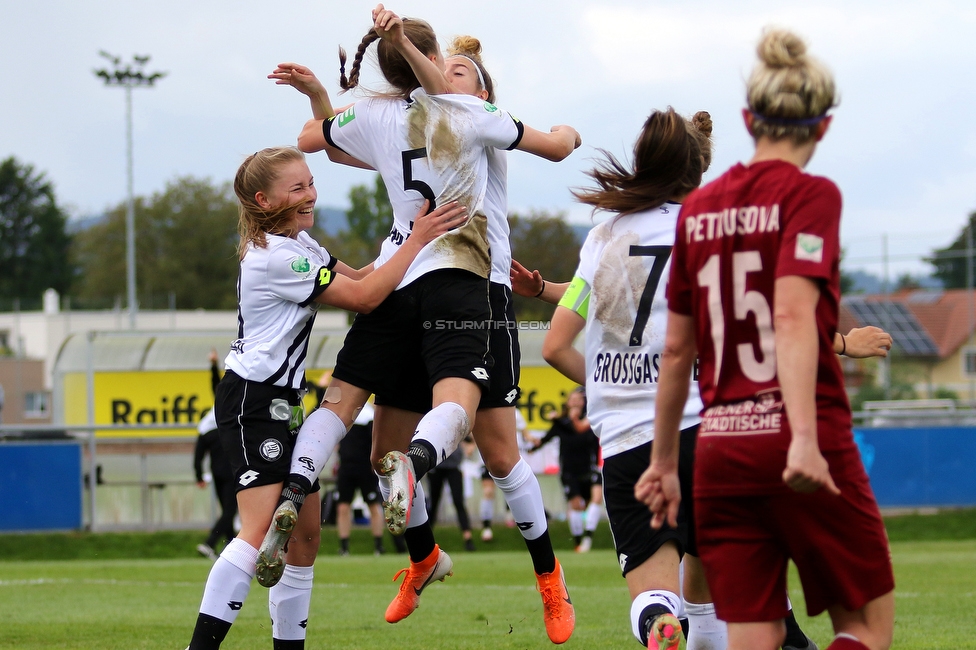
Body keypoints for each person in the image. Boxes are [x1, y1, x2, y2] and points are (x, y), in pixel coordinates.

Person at [265, 8, 580, 643]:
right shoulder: (452, 115)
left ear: (484, 88)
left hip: (478, 289)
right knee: (389, 448)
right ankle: (422, 556)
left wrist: (335, 98)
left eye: (465, 71)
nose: (452, 75)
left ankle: (550, 581)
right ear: (423, 65)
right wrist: (567, 132)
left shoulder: (474, 120)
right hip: (416, 284)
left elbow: (319, 139)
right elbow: (557, 144)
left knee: (499, 454)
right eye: (447, 65)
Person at [636, 29, 895, 650]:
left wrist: (665, 461)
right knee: (863, 625)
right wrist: (804, 437)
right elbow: (791, 314)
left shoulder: (698, 213)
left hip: (720, 449)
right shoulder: (812, 196)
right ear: (823, 128)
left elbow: (677, 349)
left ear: (749, 119)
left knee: (753, 637)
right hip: (802, 437)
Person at [185, 146, 465, 650]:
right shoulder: (277, 256)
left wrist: (407, 244)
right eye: (297, 188)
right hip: (252, 402)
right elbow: (363, 298)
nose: (311, 193)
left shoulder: (302, 243)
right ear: (262, 199)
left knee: (306, 538)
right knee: (258, 531)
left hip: (285, 403)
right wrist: (419, 236)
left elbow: (362, 277)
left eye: (311, 182)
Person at [529, 389, 601, 553]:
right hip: (569, 471)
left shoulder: (591, 421)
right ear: (567, 402)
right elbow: (546, 439)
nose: (576, 402)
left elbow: (596, 442)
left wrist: (597, 463)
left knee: (596, 499)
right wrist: (533, 447)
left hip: (589, 468)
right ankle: (579, 541)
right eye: (572, 399)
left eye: (579, 399)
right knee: (576, 505)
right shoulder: (560, 424)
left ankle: (588, 536)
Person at [194, 350, 236, 560]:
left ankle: (230, 549)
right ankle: (209, 543)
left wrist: (199, 477)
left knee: (227, 509)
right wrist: (214, 366)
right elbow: (217, 387)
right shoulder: (225, 414)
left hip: (216, 472)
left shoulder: (204, 427)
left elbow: (198, 455)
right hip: (231, 470)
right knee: (230, 511)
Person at [334, 402, 389, 556]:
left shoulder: (368, 416)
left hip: (365, 467)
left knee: (373, 505)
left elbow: (375, 441)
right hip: (346, 467)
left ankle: (379, 546)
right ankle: (344, 547)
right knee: (343, 507)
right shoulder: (344, 413)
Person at [424, 442, 477, 552]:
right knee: (433, 503)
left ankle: (468, 538)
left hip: (453, 465)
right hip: (436, 465)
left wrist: (470, 446)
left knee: (458, 501)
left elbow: (470, 436)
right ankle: (425, 541)